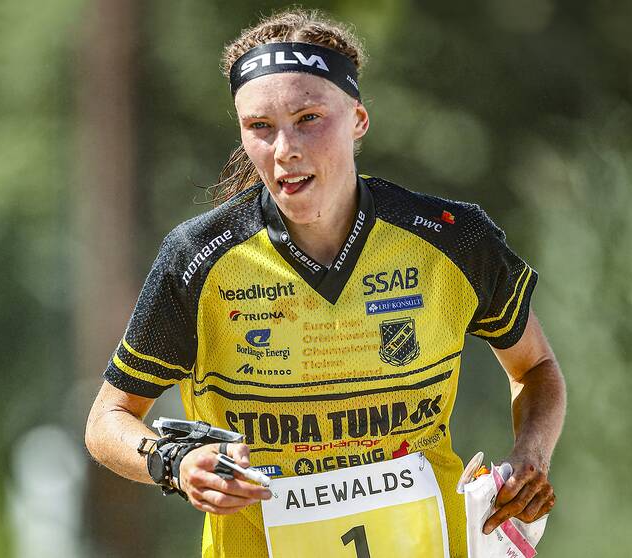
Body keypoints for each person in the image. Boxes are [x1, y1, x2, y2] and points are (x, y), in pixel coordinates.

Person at [85, 8, 565, 558]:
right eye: (259, 127)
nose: (284, 148)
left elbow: (536, 367)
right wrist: (173, 462)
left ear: (358, 118)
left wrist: (531, 456)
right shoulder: (197, 258)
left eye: (309, 117)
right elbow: (107, 419)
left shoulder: (452, 238)